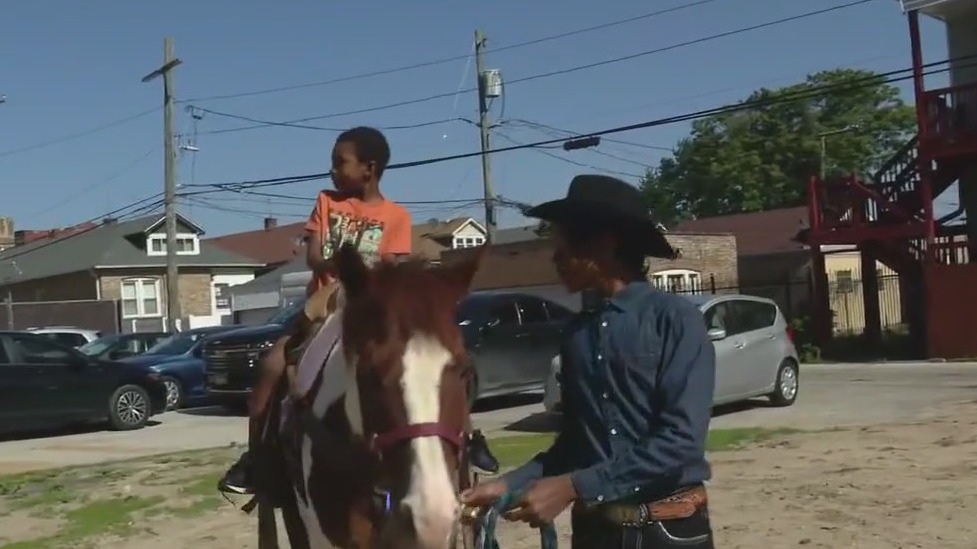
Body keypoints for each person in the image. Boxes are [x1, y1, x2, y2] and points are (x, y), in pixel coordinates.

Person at [218, 127, 498, 495]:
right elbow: (314, 256)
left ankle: (470, 436)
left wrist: (372, 282)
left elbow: (394, 268)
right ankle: (256, 458)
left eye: (340, 162)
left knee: (436, 363)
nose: (332, 170)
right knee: (273, 365)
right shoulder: (327, 202)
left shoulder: (396, 216)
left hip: (372, 305)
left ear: (369, 168)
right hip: (325, 302)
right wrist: (342, 264)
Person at [461, 175, 717, 548]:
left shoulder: (675, 321)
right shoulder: (578, 335)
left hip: (668, 532)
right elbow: (577, 445)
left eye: (563, 244)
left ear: (605, 242)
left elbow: (681, 442)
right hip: (597, 534)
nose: (555, 257)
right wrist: (509, 484)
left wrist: (571, 486)